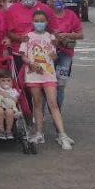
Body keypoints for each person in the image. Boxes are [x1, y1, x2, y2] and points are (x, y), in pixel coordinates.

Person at [21, 9, 74, 149]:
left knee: (53, 103)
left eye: (42, 21)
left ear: (47, 22)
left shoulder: (51, 37)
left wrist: (53, 54)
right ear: (32, 22)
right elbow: (23, 55)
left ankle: (62, 134)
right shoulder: (27, 37)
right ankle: (39, 133)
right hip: (33, 74)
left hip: (49, 74)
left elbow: (54, 56)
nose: (39, 23)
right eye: (36, 21)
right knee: (37, 103)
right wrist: (30, 63)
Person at [5, 0, 54, 75]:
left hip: (40, 54)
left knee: (39, 85)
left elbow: (51, 30)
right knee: (21, 86)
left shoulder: (45, 9)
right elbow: (9, 32)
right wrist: (20, 38)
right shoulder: (12, 10)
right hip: (19, 53)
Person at [49, 0, 84, 110]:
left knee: (60, 84)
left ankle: (56, 110)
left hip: (66, 53)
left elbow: (80, 34)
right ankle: (41, 114)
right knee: (46, 83)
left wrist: (66, 35)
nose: (60, 1)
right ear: (50, 1)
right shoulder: (47, 15)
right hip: (48, 53)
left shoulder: (70, 15)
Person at [0, 67, 20, 140]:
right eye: (3, 81)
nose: (6, 83)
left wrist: (8, 96)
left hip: (9, 107)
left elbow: (16, 101)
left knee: (9, 112)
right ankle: (1, 130)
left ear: (11, 82)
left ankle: (8, 131)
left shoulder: (13, 91)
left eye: (8, 80)